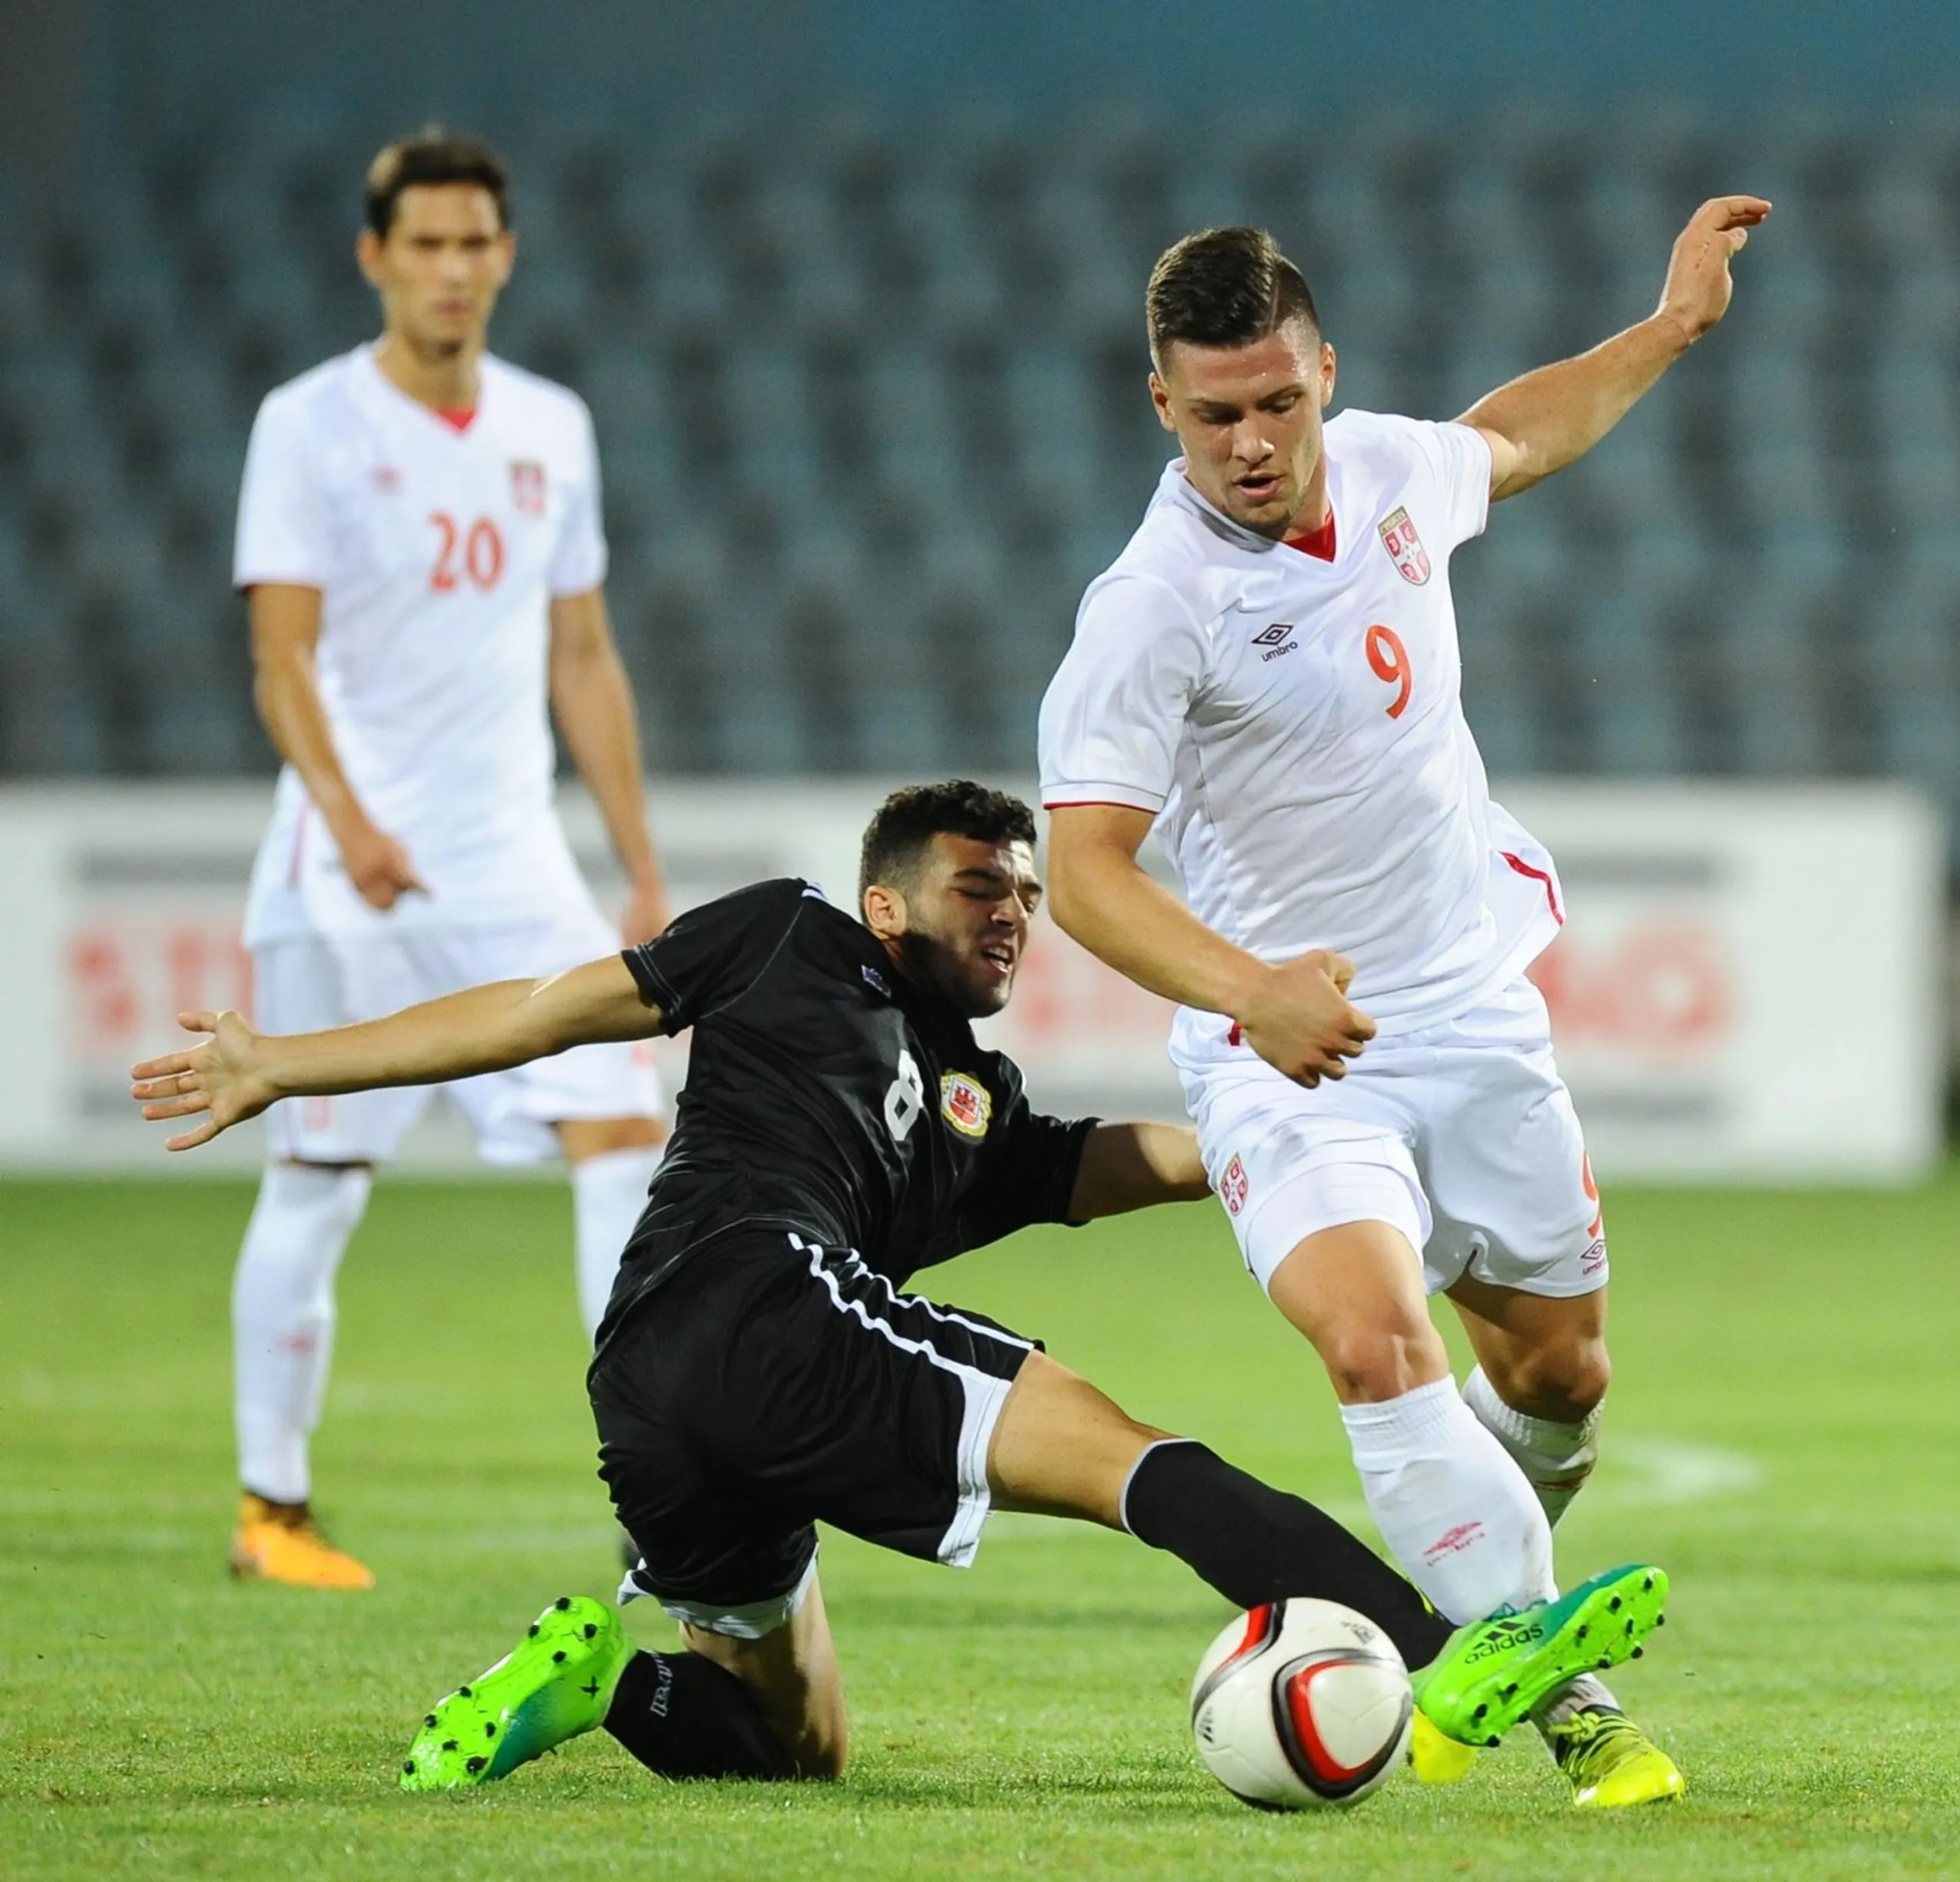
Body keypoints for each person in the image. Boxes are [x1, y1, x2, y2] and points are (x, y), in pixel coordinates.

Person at [132, 780, 1662, 1789]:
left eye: (1024, 898)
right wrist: (282, 1061)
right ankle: (1452, 1643)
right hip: (769, 1296)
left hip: (653, 1380)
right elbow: (547, 1010)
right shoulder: (785, 934)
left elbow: (1104, 1165)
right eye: (977, 890)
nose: (1010, 916)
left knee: (798, 1743)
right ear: (885, 905)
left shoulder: (972, 1106)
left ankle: (607, 1687)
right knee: (1138, 1461)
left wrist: (1290, 1147)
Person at [1037, 199, 1764, 1804]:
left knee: (1563, 1375)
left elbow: (1512, 436)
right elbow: (1083, 872)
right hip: (1285, 1053)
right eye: (1215, 412)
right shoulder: (1150, 609)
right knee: (1374, 1344)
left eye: (1279, 402)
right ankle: (1571, 1698)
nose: (1252, 442)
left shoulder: (1380, 468)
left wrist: (1665, 332)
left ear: (1324, 375)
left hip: (1472, 1005)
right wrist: (1254, 994)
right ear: (1161, 404)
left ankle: (1486, 1604)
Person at [223, 128, 671, 1589]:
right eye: (425, 243)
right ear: (375, 258)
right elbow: (280, 655)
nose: (453, 268)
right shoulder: (308, 423)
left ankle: (654, 1479)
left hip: (511, 861)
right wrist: (348, 816)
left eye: (476, 241)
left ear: (507, 254)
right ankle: (271, 1507)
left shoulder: (552, 425)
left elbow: (585, 655)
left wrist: (639, 864)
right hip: (344, 859)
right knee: (317, 1167)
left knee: (620, 1125)